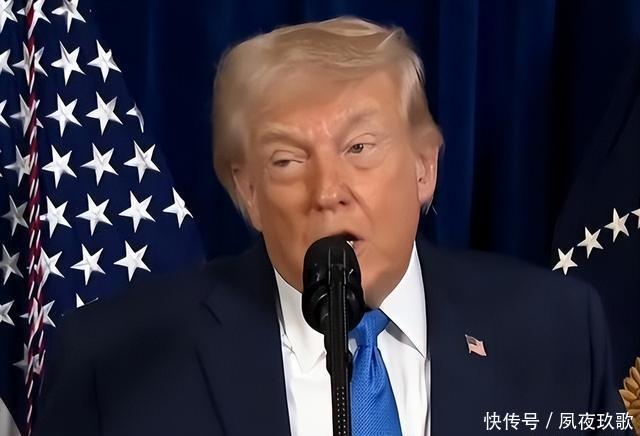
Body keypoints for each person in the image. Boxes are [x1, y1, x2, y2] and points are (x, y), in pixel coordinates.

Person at [34, 17, 630, 436]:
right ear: (249, 193)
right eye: (287, 161)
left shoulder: (559, 330)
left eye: (360, 147)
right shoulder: (114, 362)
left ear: (425, 167)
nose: (327, 193)